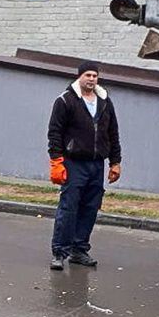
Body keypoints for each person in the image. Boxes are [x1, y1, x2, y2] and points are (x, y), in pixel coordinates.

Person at [47, 60, 122, 270]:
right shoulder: (65, 101)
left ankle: (80, 250)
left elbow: (113, 133)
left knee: (90, 208)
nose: (91, 79)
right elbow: (55, 132)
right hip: (73, 163)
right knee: (69, 207)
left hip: (96, 164)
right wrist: (56, 161)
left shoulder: (105, 101)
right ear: (79, 76)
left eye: (94, 76)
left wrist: (115, 162)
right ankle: (60, 252)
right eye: (88, 75)